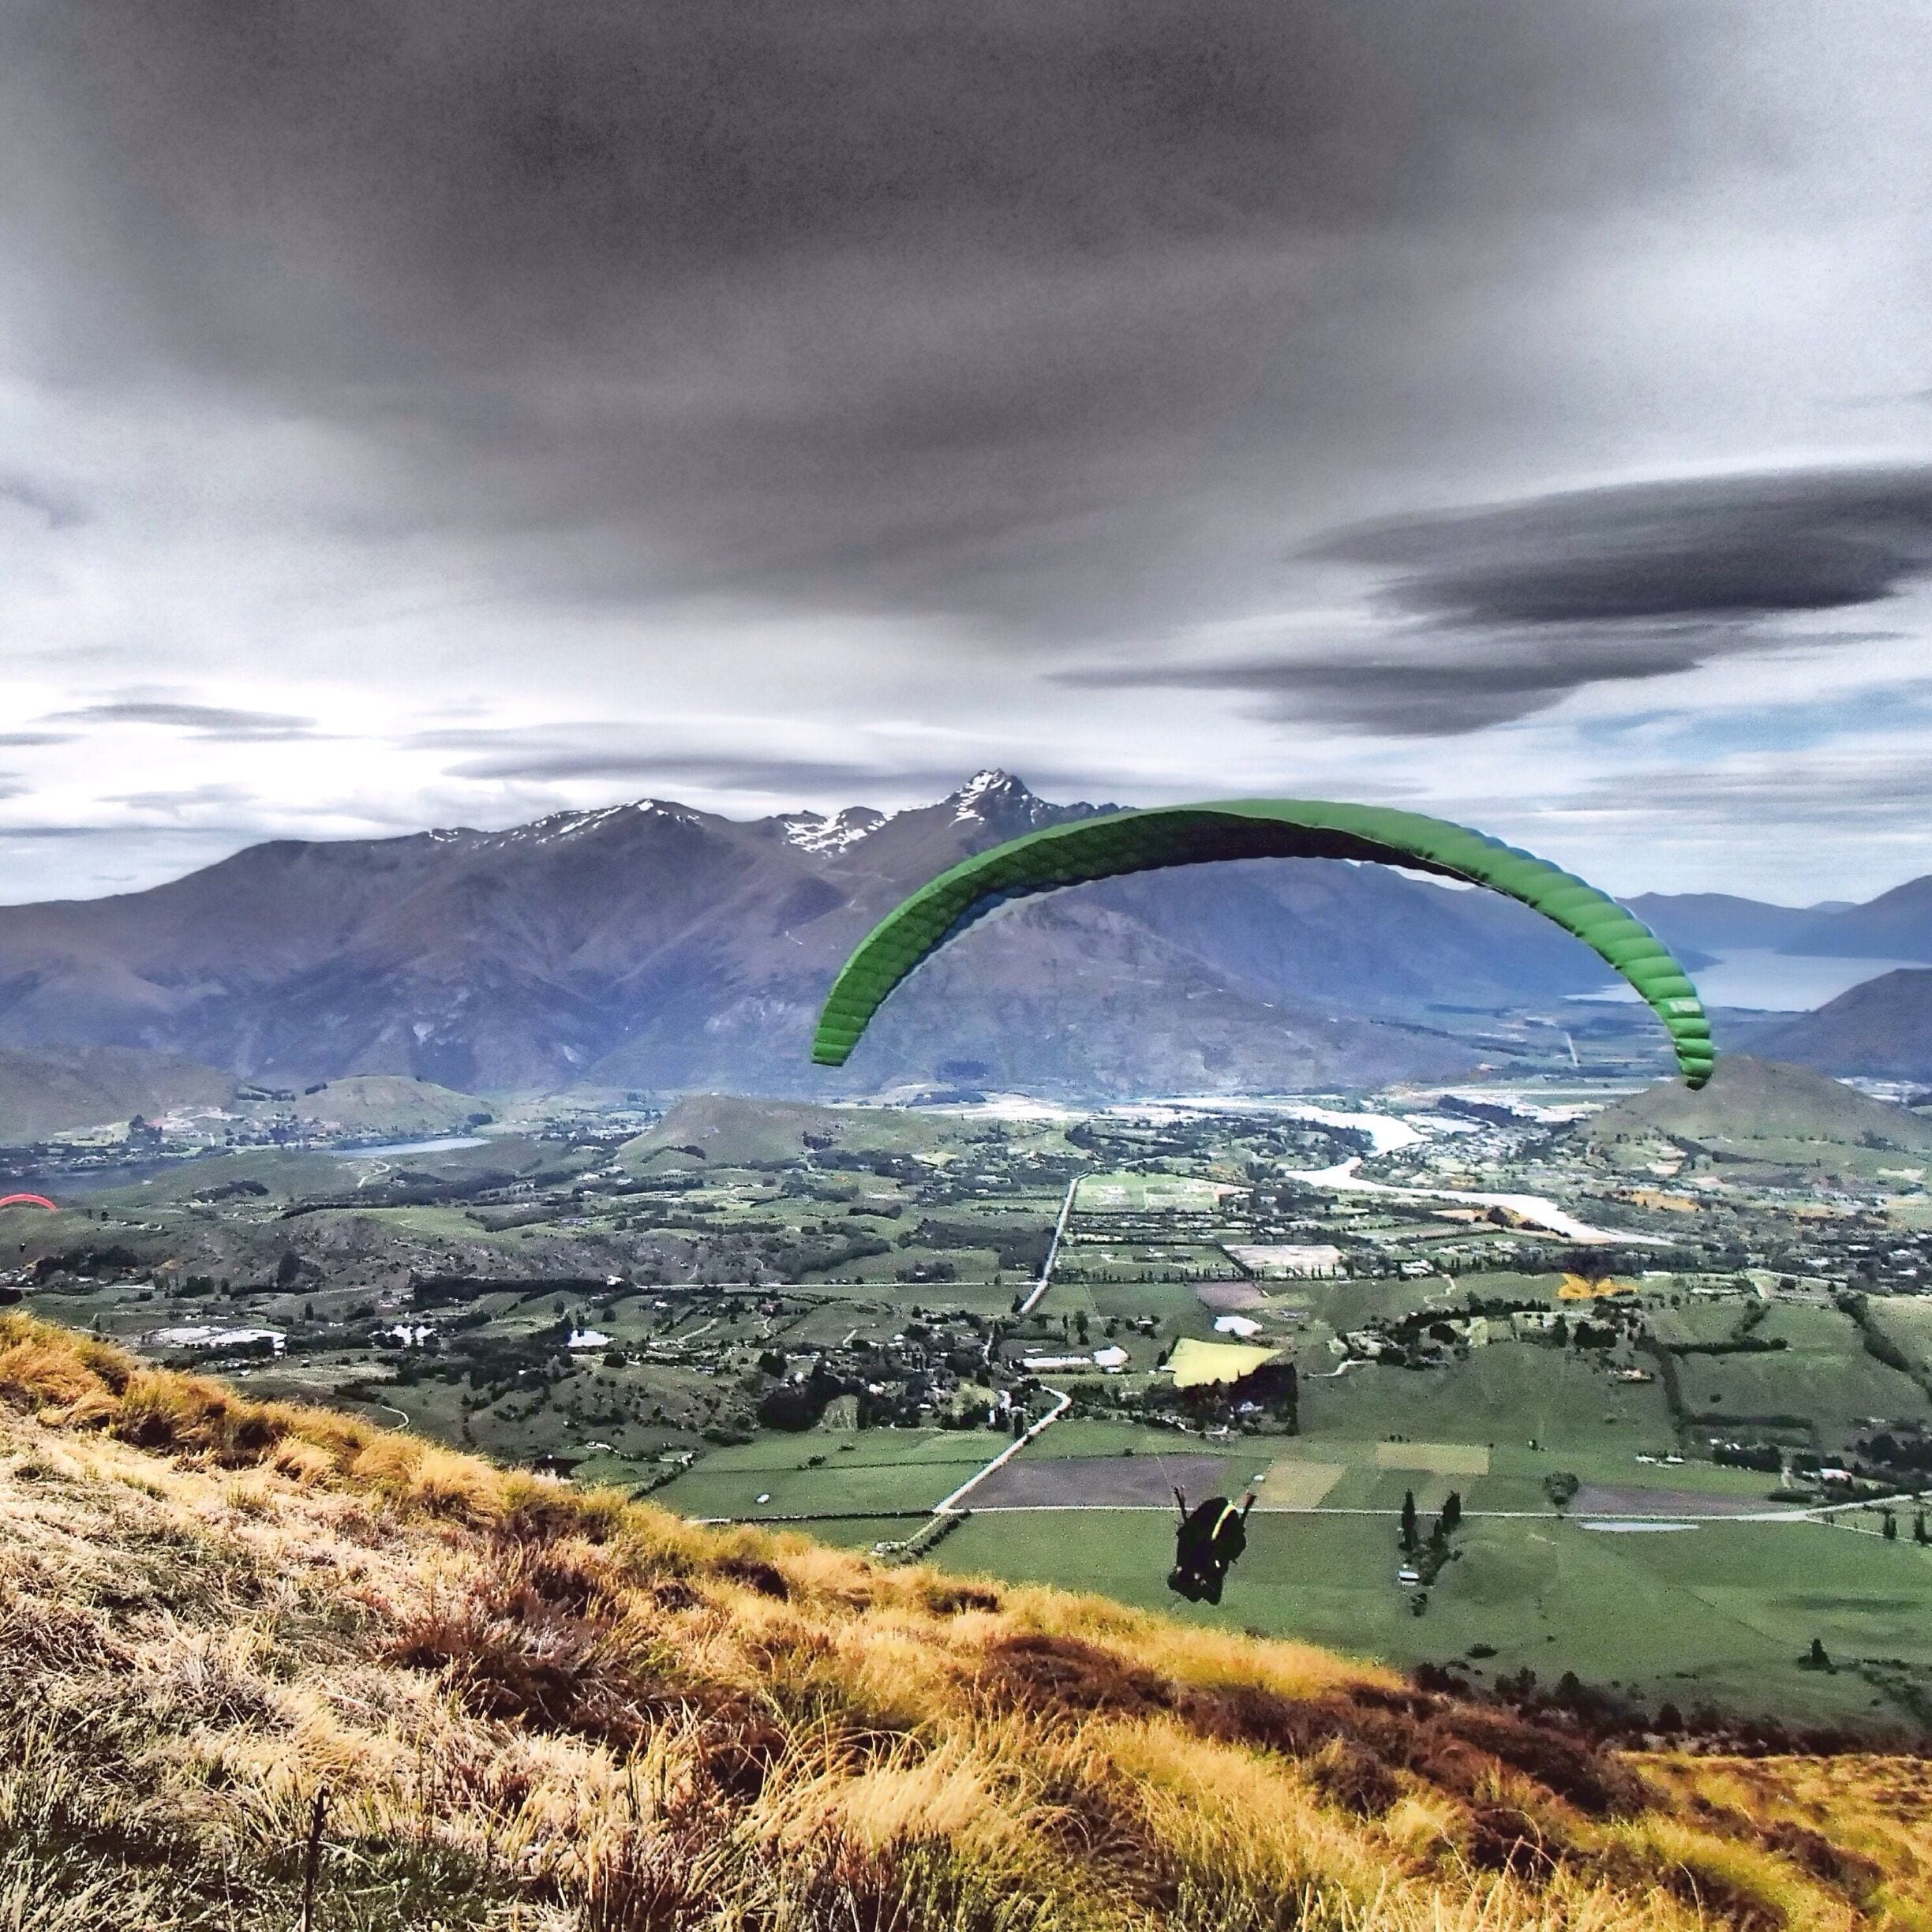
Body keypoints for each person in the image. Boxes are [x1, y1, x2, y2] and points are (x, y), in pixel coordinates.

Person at [1166, 1488, 1256, 1604]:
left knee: (1213, 1547)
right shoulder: (1206, 1564)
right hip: (1215, 1518)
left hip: (1218, 1515)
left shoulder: (1193, 1559)